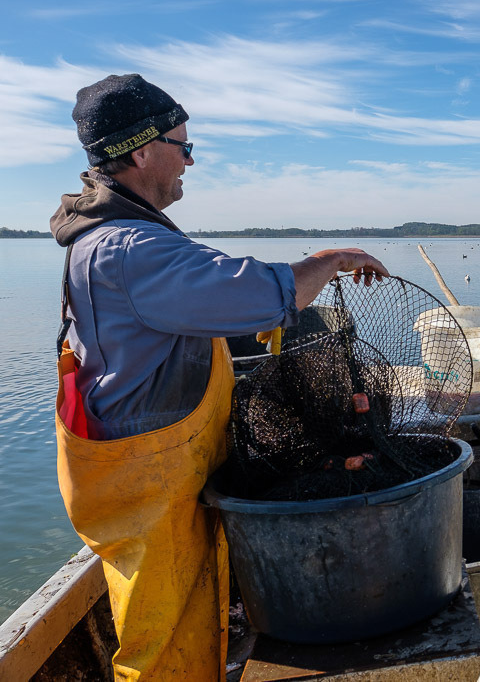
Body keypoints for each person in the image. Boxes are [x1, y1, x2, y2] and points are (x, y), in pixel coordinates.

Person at [50, 74, 389, 681]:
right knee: (161, 651)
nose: (190, 161)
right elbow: (267, 290)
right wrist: (333, 259)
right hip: (146, 481)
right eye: (183, 147)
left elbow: (207, 292)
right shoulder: (130, 248)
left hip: (153, 469)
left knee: (184, 623)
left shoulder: (118, 237)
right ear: (139, 151)